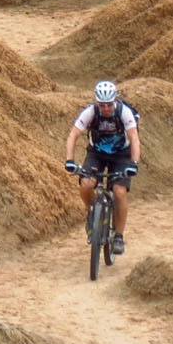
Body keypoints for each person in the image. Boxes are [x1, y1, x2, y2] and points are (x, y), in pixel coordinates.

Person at [64, 79, 139, 255]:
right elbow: (74, 134)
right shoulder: (90, 112)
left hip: (121, 155)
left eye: (109, 105)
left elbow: (134, 138)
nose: (106, 108)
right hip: (97, 154)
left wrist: (134, 164)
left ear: (114, 101)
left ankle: (119, 236)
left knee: (120, 191)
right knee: (86, 184)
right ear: (97, 103)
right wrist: (69, 160)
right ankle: (92, 214)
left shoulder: (124, 112)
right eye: (102, 105)